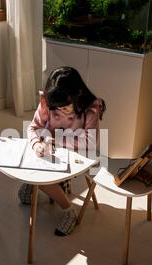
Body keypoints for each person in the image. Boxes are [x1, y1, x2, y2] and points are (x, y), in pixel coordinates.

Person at [19, 66, 106, 236]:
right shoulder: (48, 101)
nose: (59, 111)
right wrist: (37, 143)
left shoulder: (91, 108)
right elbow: (33, 127)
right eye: (56, 108)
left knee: (42, 178)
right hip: (52, 149)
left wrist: (55, 139)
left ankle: (68, 210)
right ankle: (38, 181)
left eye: (65, 108)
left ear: (78, 95)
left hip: (80, 154)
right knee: (26, 190)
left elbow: (89, 142)